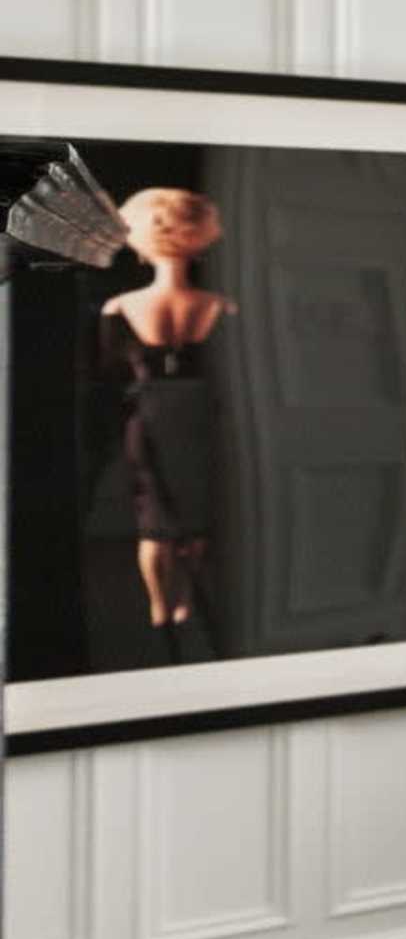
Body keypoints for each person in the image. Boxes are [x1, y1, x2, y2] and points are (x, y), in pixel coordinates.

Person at [99, 183, 231, 639]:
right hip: (199, 419)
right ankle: (181, 606)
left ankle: (162, 608)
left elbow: (109, 375)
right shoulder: (221, 308)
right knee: (192, 516)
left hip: (150, 419)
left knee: (153, 524)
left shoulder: (119, 308)